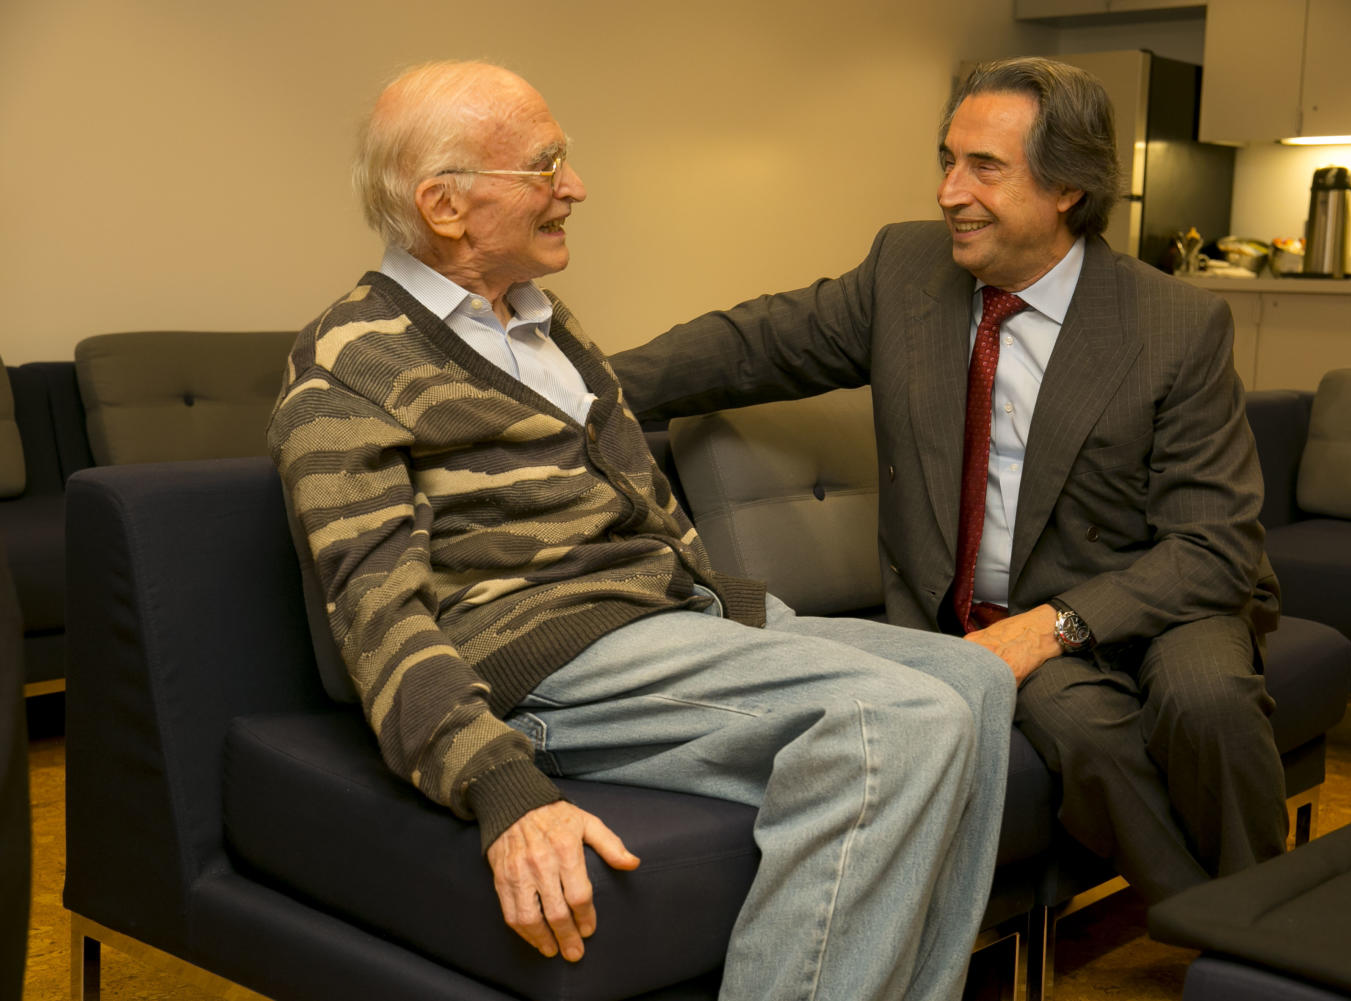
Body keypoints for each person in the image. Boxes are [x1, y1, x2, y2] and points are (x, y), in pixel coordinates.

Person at [267, 60, 1015, 1001]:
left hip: (671, 620)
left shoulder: (546, 328)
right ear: (445, 207)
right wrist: (500, 788)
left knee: (977, 679)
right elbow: (374, 616)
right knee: (894, 716)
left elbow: (644, 515)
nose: (573, 188)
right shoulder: (348, 363)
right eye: (545, 168)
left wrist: (728, 614)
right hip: (542, 656)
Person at [611, 56, 1287, 904]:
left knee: (1208, 700)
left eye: (984, 167)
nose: (948, 191)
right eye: (946, 159)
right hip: (995, 615)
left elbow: (1211, 544)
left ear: (1067, 187)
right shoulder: (905, 270)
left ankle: (1270, 926)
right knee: (1082, 727)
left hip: (1157, 592)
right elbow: (755, 343)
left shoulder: (1173, 324)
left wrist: (1059, 624)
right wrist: (571, 387)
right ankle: (1222, 929)